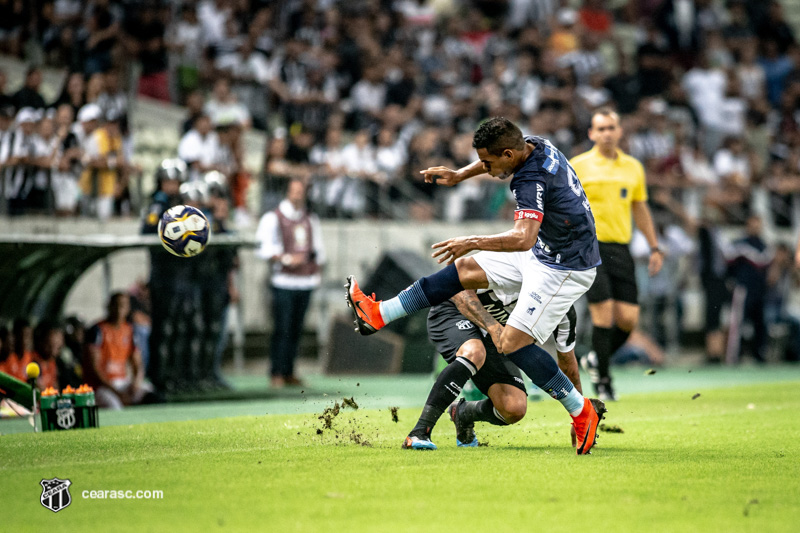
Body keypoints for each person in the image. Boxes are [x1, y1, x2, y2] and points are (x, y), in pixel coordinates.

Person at [346, 117, 605, 455]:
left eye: (487, 162)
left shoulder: (529, 179)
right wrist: (459, 174)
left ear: (510, 154)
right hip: (547, 252)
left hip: (565, 267)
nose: (484, 167)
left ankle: (579, 410)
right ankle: (380, 313)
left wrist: (473, 239)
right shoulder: (536, 143)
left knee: (510, 343)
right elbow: (525, 228)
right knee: (465, 268)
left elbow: (524, 238)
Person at [419, 281, 583, 449]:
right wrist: (492, 326)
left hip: (495, 337)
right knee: (475, 352)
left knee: (513, 408)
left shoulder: (563, 312)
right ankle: (419, 432)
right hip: (453, 311)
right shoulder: (513, 269)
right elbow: (458, 287)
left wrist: (580, 416)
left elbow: (568, 362)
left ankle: (463, 413)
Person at [569, 108, 663, 401]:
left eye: (611, 127)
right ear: (591, 134)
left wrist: (654, 246)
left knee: (628, 319)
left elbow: (640, 208)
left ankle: (597, 358)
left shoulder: (633, 167)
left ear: (620, 131)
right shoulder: (578, 165)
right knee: (604, 315)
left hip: (620, 248)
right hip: (589, 247)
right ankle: (605, 382)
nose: (607, 133)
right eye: (601, 128)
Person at [255, 178, 325, 388]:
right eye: (293, 190)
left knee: (296, 329)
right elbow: (262, 248)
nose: (297, 195)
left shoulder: (310, 219)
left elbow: (318, 249)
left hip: (305, 281)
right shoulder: (273, 218)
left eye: (300, 191)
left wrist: (315, 270)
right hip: (283, 280)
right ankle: (276, 371)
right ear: (287, 192)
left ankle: (289, 370)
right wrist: (285, 259)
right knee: (281, 328)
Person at [85, 292, 152, 409]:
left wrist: (135, 384)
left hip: (122, 382)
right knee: (114, 406)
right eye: (115, 305)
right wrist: (117, 392)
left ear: (128, 308)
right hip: (102, 386)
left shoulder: (129, 330)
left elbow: (137, 364)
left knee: (152, 396)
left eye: (123, 305)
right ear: (108, 306)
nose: (118, 309)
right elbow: (95, 369)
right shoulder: (97, 330)